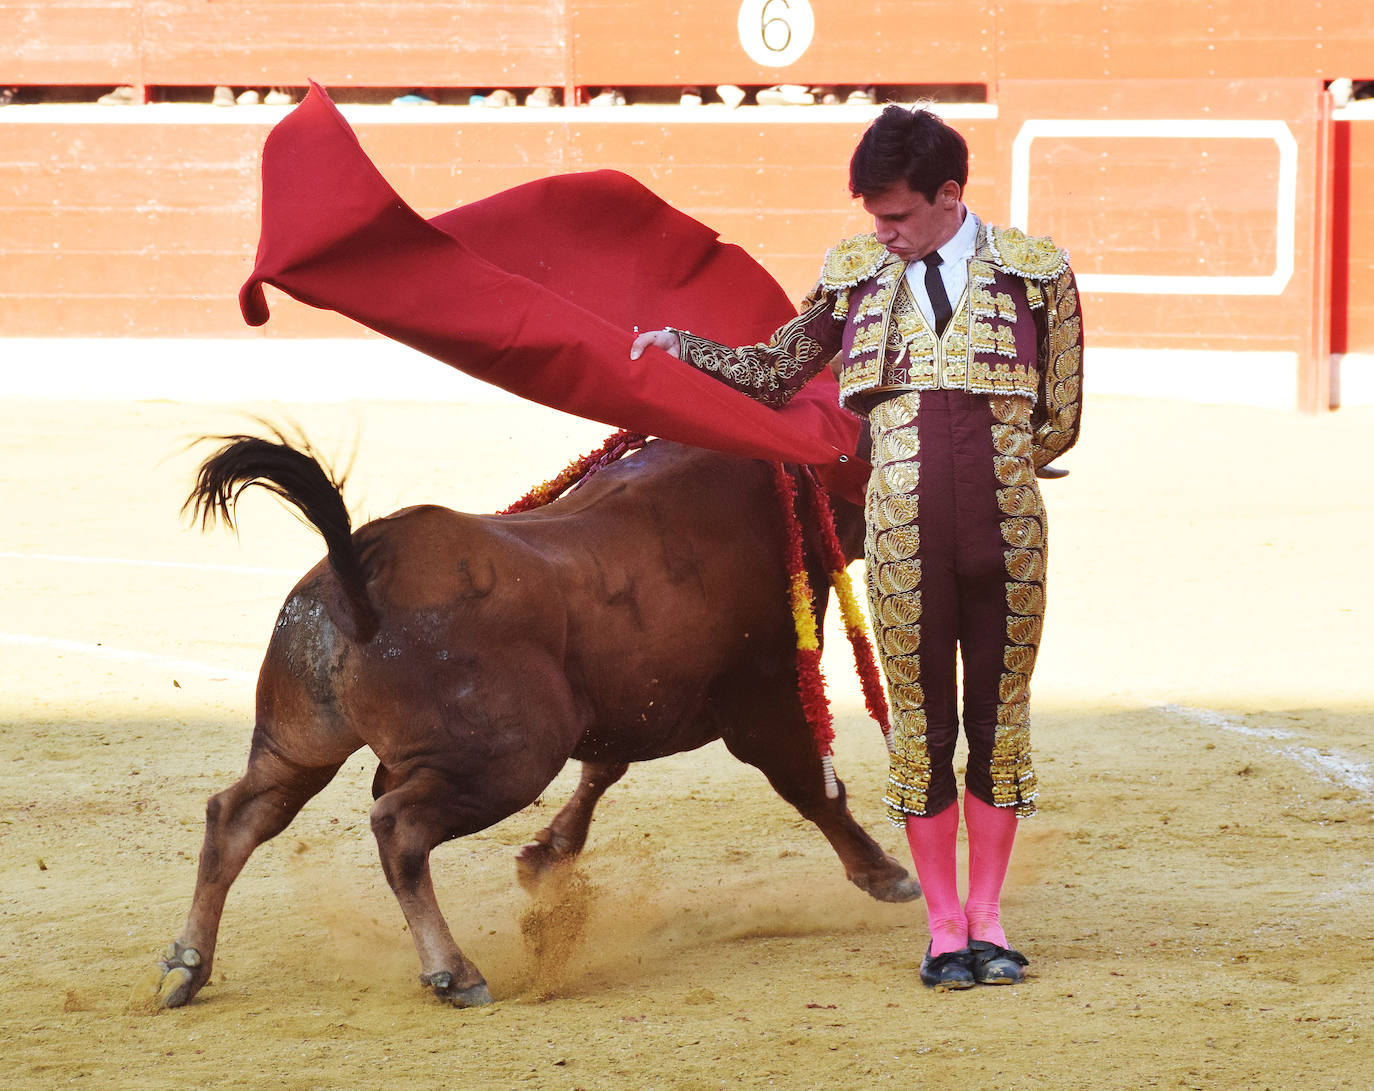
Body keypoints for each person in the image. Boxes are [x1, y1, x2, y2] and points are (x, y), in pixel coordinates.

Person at [631, 105, 1083, 991]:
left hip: (1009, 542)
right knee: (924, 726)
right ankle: (944, 928)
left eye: (898, 215)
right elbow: (774, 371)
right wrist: (683, 347)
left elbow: (1062, 417)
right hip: (905, 541)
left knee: (1000, 722)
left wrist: (990, 467)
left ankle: (989, 919)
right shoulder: (854, 276)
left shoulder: (1037, 274)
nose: (882, 232)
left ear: (949, 195)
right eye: (874, 215)